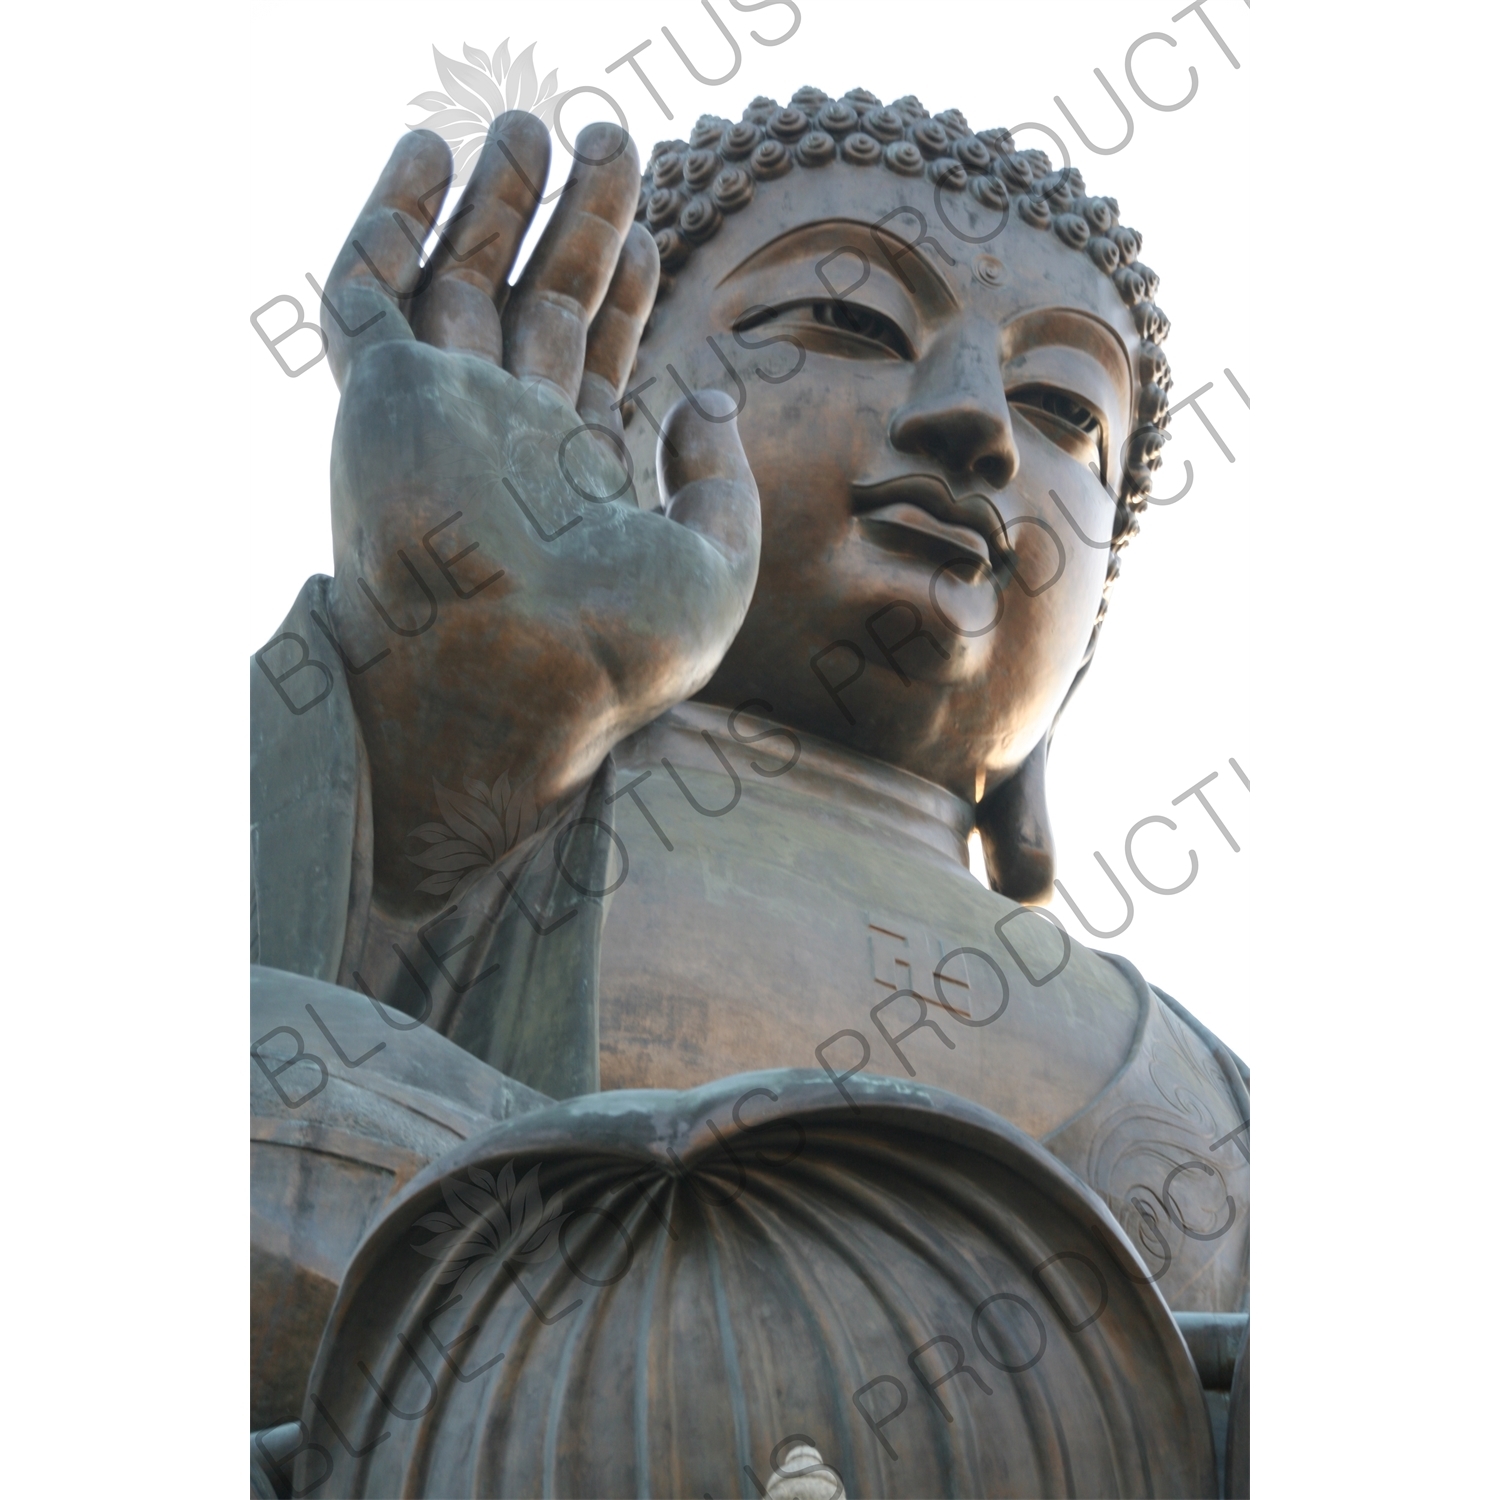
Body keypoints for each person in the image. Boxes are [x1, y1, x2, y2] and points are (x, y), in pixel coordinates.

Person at [251, 85, 1247, 1493]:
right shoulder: (494, 825)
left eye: (1063, 408)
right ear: (599, 405)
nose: (977, 426)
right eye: (843, 320)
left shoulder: (1216, 1098)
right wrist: (450, 704)